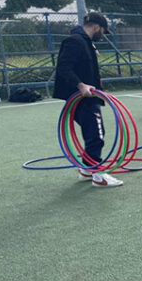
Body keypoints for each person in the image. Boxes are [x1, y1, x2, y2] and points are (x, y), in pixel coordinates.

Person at [53, 11, 123, 187]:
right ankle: (99, 175)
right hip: (82, 98)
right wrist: (81, 85)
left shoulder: (85, 42)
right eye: (103, 31)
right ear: (97, 27)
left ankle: (86, 169)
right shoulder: (75, 41)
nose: (103, 36)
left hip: (88, 96)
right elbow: (63, 67)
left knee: (92, 132)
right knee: (96, 135)